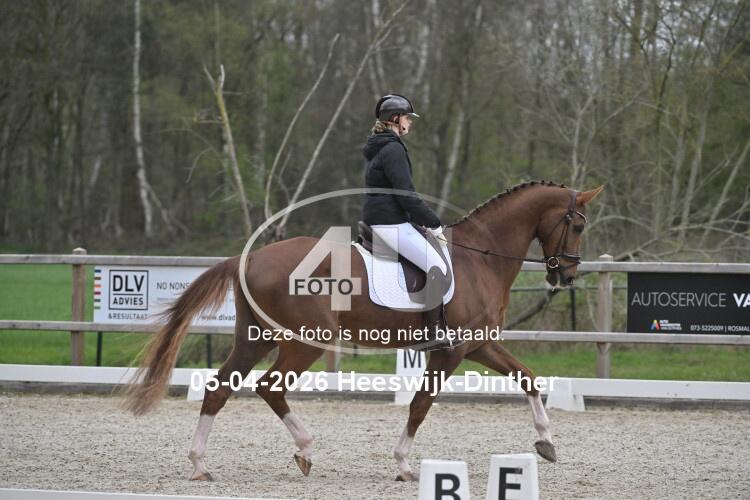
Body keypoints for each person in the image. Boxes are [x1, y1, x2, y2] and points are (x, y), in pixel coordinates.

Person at [360, 93, 458, 351]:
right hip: (390, 223)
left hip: (381, 219)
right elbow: (405, 195)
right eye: (407, 117)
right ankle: (431, 333)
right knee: (436, 265)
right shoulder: (392, 149)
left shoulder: (379, 145)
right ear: (395, 119)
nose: (410, 122)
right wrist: (434, 223)